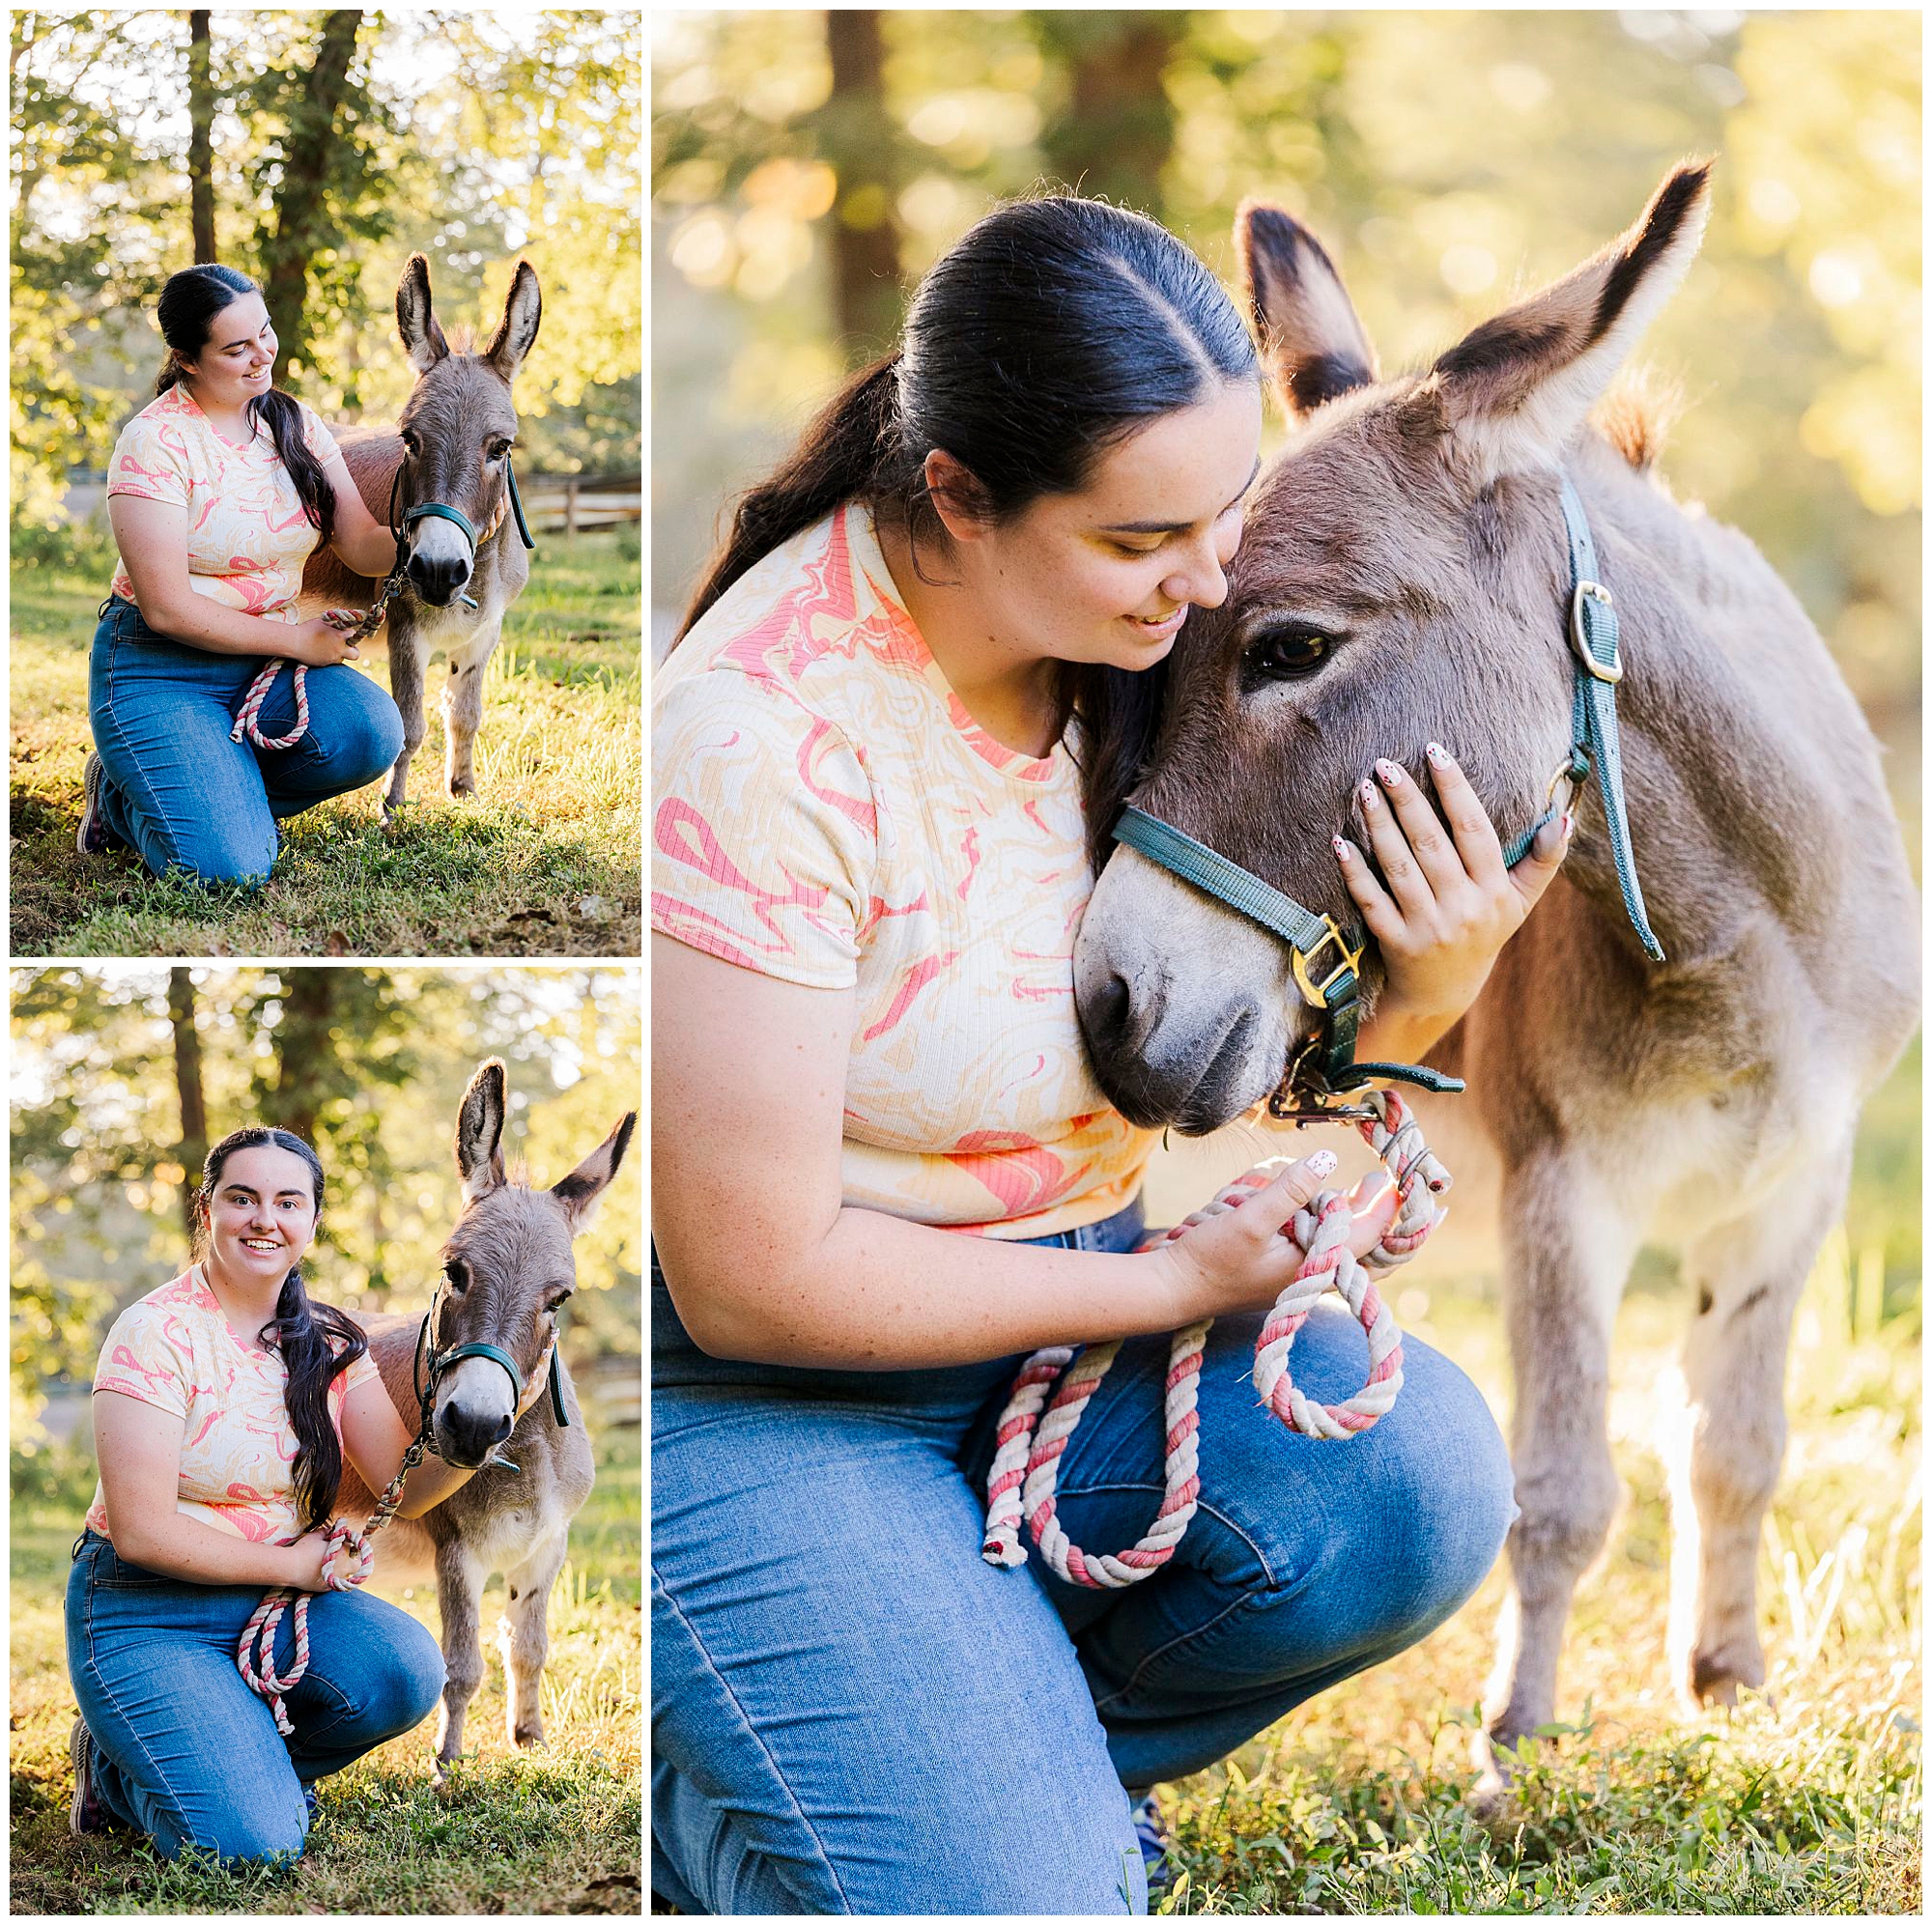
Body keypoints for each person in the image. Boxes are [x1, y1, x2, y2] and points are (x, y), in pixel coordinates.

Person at [651, 195, 1572, 1914]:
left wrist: (1430, 987)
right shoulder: (760, 740)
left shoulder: (1133, 635)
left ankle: (956, 1754)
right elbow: (750, 1280)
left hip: (1049, 1347)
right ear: (959, 498)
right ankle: (717, 1805)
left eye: (1230, 510)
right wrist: (1166, 1289)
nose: (1218, 574)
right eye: (1155, 532)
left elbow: (1211, 1032)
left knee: (1415, 1478)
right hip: (770, 1401)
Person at [65, 1126, 544, 1864]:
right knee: (253, 1845)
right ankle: (111, 1769)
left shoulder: (328, 1340)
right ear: (207, 1210)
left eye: (288, 1201)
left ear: (311, 1222)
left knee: (404, 1671)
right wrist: (294, 1566)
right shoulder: (152, 1334)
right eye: (243, 1197)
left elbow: (405, 1487)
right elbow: (142, 1531)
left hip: (268, 1609)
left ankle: (232, 1753)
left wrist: (477, 1430)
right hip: (146, 1605)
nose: (265, 1218)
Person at [81, 263, 406, 885]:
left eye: (265, 332)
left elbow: (363, 544)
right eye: (236, 349)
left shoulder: (296, 424)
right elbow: (168, 609)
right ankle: (122, 799)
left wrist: (440, 530)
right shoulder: (155, 443)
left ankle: (212, 793)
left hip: (264, 668)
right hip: (162, 668)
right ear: (188, 360)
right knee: (226, 872)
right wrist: (298, 640)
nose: (262, 356)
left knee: (369, 733)